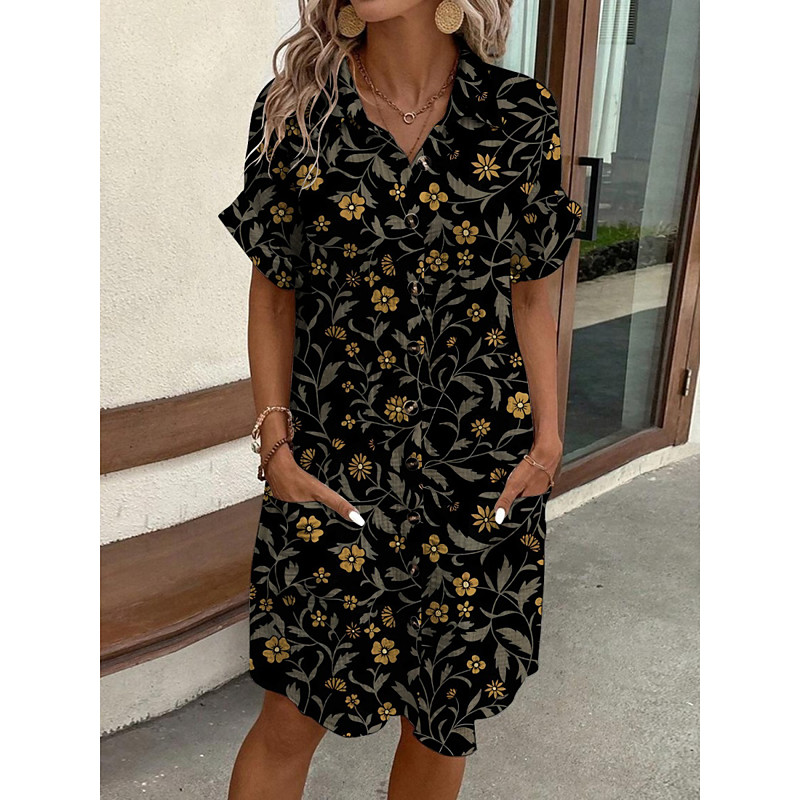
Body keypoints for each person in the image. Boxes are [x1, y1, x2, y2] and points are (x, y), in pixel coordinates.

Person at [218, 1, 582, 798]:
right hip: (333, 472)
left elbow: (531, 294)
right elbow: (273, 292)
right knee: (291, 714)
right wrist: (276, 451)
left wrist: (548, 444)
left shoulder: (518, 114)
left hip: (478, 468)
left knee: (441, 715)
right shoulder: (298, 112)